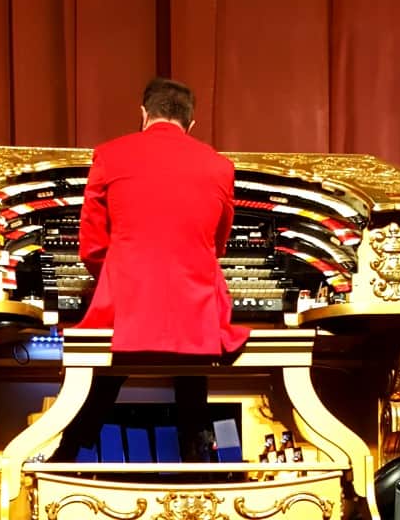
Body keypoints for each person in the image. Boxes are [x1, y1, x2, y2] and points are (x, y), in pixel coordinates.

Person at [50, 77, 250, 463]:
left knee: (108, 373)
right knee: (191, 364)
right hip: (194, 303)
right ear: (191, 125)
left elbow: (91, 243)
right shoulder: (220, 166)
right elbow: (218, 244)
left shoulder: (110, 155)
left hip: (130, 299)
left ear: (144, 114)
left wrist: (113, 278)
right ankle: (201, 471)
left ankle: (66, 460)